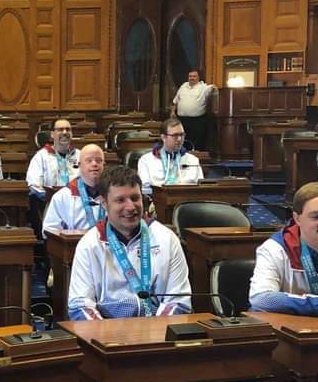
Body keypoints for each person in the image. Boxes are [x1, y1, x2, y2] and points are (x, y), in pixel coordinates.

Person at [68, 165, 191, 320]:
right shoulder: (89, 245)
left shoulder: (167, 239)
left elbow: (179, 301)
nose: (131, 207)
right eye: (120, 200)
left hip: (158, 333)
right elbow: (80, 306)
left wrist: (155, 333)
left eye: (135, 198)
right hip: (106, 334)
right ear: (104, 203)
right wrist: (105, 337)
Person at [249, 182, 318, 318]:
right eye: (316, 216)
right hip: (286, 333)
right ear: (297, 219)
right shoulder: (274, 249)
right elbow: (261, 299)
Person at [43, 143, 105, 233]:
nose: (94, 164)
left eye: (98, 161)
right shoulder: (62, 196)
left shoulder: (113, 194)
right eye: (89, 160)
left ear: (104, 164)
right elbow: (49, 230)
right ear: (79, 165)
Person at [137, 118, 204, 196]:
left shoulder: (193, 160)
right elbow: (145, 189)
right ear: (163, 137)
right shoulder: (146, 160)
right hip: (157, 202)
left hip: (187, 202)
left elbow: (201, 187)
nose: (179, 139)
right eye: (175, 135)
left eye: (182, 135)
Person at [26, 118, 81, 200]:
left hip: (78, 202)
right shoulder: (41, 156)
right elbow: (33, 184)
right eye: (60, 129)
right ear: (52, 134)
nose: (65, 132)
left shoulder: (80, 155)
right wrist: (52, 197)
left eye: (68, 129)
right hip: (51, 203)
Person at [172, 69, 218, 151]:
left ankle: (196, 160)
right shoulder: (183, 86)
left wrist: (214, 89)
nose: (192, 78)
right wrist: (172, 112)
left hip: (197, 121)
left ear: (198, 78)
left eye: (194, 76)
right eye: (190, 76)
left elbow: (214, 90)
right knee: (182, 141)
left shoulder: (204, 88)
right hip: (182, 120)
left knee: (197, 143)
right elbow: (175, 101)